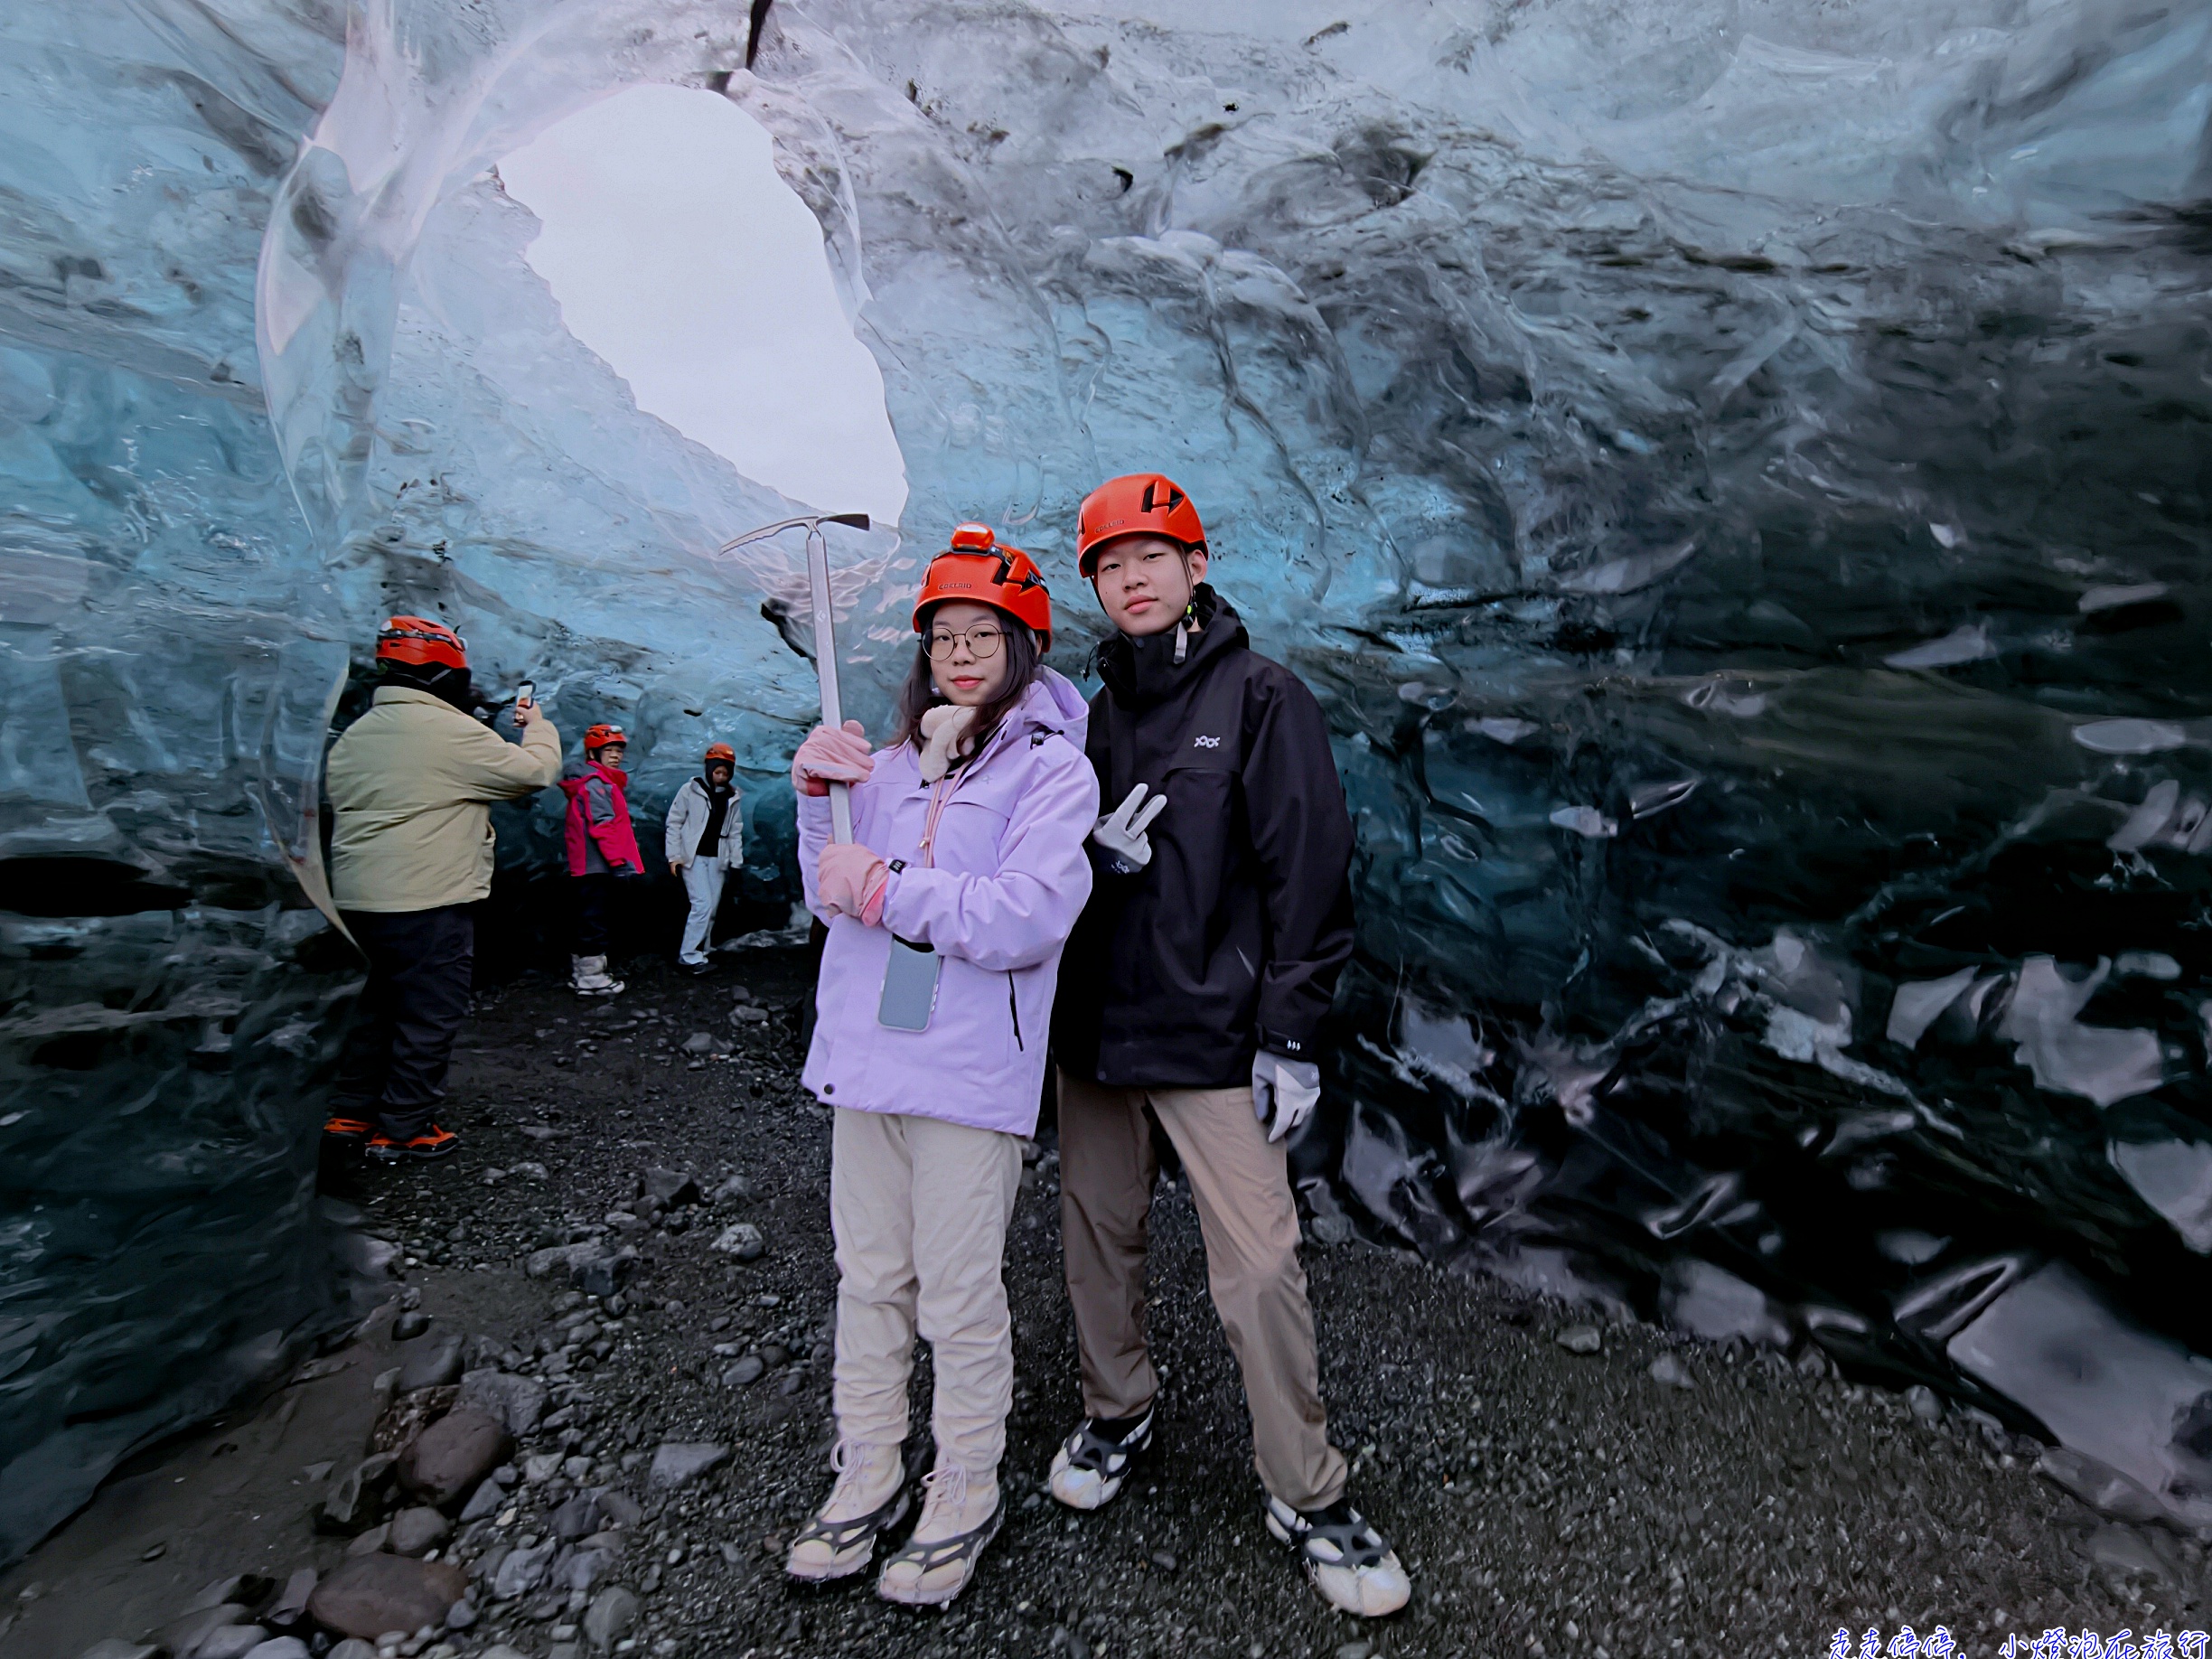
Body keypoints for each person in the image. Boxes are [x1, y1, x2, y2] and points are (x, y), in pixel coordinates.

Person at [1047, 474, 1411, 1617]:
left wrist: (1289, 1035)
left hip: (1213, 1039)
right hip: (1099, 1037)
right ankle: (1120, 1413)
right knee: (1098, 1244)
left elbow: (1309, 870)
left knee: (1258, 1268)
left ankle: (1304, 1488)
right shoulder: (1090, 713)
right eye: (1112, 565)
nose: (1134, 578)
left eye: (1154, 557)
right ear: (1098, 588)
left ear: (1197, 567)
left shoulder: (1262, 697)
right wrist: (1082, 866)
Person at [782, 522, 1098, 1607]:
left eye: (985, 634)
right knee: (869, 1280)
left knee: (958, 1295)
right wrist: (813, 791)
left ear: (1027, 646)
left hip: (969, 1071)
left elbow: (1029, 915)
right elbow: (827, 884)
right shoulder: (885, 767)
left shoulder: (1055, 770)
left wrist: (885, 889)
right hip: (870, 1057)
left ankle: (963, 1484)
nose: (961, 654)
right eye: (944, 637)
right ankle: (868, 1465)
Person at [324, 616, 561, 1163]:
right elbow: (534, 773)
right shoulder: (452, 734)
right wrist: (538, 726)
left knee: (374, 1007)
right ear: (441, 675)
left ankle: (350, 1112)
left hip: (357, 901)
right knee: (428, 1012)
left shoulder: (356, 735)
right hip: (428, 901)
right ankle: (404, 1127)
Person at [562, 723, 643, 996]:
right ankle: (592, 978)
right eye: (608, 750)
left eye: (618, 750)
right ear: (593, 754)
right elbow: (603, 825)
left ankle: (582, 973)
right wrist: (619, 863)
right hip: (596, 864)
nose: (616, 755)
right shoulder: (596, 784)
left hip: (588, 864)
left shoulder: (598, 782)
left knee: (587, 916)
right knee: (594, 918)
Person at [665, 741, 744, 974]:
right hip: (694, 857)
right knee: (702, 904)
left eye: (725, 773)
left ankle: (703, 950)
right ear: (709, 769)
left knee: (712, 907)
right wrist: (674, 856)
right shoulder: (691, 790)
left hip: (717, 858)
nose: (720, 777)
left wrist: (736, 862)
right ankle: (688, 956)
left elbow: (735, 830)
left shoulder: (732, 797)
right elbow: (674, 822)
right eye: (717, 772)